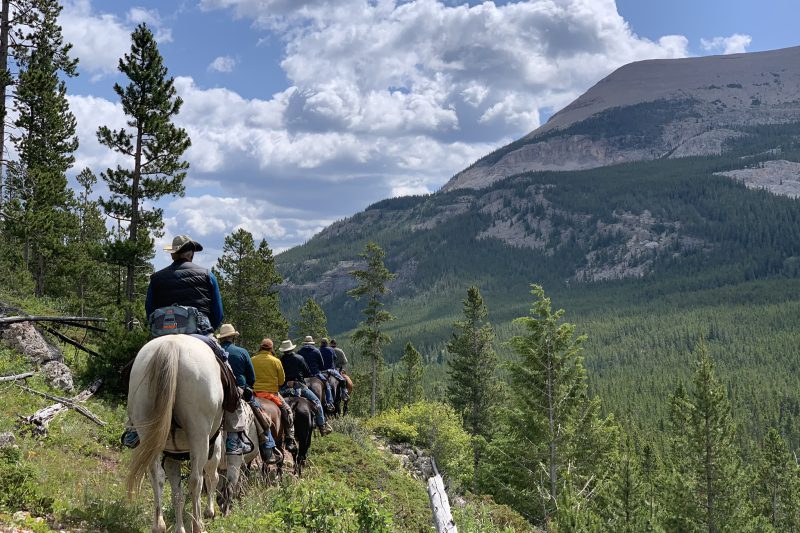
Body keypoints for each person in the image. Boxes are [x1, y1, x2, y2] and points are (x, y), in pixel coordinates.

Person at [122, 235, 230, 449]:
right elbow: (218, 314)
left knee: (131, 371)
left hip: (161, 336)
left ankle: (133, 426)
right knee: (229, 374)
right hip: (199, 333)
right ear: (191, 253)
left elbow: (149, 311)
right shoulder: (208, 275)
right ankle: (235, 430)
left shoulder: (157, 278)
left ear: (173, 253)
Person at [251, 338, 298, 454]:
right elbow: (282, 381)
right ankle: (289, 438)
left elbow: (250, 377)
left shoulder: (252, 359)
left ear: (260, 347)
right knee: (287, 411)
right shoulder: (276, 361)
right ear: (271, 348)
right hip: (271, 393)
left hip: (255, 393)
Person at [277, 340, 332, 435]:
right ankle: (322, 425)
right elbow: (307, 372)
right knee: (317, 402)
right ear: (292, 348)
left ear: (283, 350)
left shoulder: (280, 360)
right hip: (299, 385)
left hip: (284, 387)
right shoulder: (299, 358)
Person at [216, 323, 255, 455]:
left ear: (221, 338)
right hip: (238, 389)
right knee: (257, 410)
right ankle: (266, 444)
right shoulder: (242, 352)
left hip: (216, 388)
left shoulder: (214, 351)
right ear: (233, 337)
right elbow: (251, 377)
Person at [297, 336, 334, 410]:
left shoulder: (299, 351)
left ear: (304, 343)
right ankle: (329, 403)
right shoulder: (316, 351)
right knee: (327, 385)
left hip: (303, 376)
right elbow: (322, 365)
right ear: (312, 343)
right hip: (315, 373)